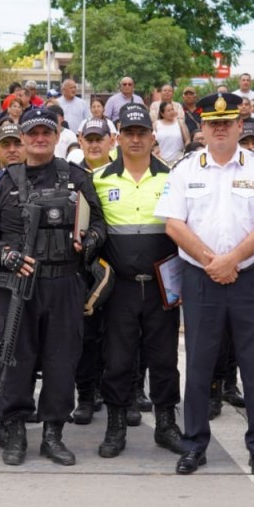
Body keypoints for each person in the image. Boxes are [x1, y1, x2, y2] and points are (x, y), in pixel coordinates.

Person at [0, 108, 106, 466]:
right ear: (22, 138)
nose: (40, 138)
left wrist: (88, 241)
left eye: (47, 132)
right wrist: (5, 254)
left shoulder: (77, 177)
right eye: (32, 133)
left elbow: (100, 226)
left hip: (64, 284)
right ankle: (15, 432)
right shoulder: (4, 181)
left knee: (62, 361)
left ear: (58, 134)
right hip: (18, 286)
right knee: (15, 358)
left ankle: (53, 434)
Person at [154, 93, 254, 477]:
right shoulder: (185, 169)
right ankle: (195, 444)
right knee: (199, 363)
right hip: (201, 279)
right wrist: (214, 262)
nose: (220, 128)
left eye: (227, 121)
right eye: (213, 123)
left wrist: (232, 260)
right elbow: (173, 224)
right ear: (202, 129)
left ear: (241, 126)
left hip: (250, 279)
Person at [92, 104, 183, 458]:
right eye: (128, 132)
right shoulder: (99, 180)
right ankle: (116, 425)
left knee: (164, 360)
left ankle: (166, 424)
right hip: (120, 288)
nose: (134, 138)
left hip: (163, 285)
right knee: (117, 359)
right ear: (117, 136)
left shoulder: (173, 177)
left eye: (141, 132)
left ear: (152, 136)